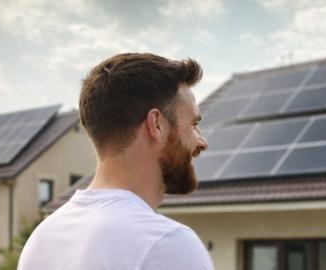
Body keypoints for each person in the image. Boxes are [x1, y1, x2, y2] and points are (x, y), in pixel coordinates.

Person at [19, 53, 213, 270]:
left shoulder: (42, 240)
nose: (202, 142)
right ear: (156, 124)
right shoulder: (168, 244)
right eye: (193, 124)